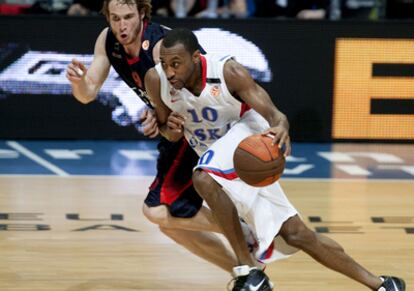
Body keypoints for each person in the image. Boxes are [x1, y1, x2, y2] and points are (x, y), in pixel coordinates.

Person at [144, 27, 406, 291]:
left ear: (196, 57)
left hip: (247, 140)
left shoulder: (228, 72)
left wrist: (281, 127)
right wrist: (171, 131)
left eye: (176, 64)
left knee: (201, 177)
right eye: (164, 64)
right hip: (223, 162)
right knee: (296, 234)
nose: (170, 72)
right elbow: (167, 129)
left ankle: (247, 270)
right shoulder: (157, 81)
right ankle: (383, 284)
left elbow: (275, 115)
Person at [65, 0, 257, 276]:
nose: (122, 25)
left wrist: (160, 114)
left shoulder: (160, 46)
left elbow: (200, 86)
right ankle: (247, 274)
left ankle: (240, 231)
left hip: (200, 125)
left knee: (155, 211)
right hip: (176, 130)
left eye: (128, 17)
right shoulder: (107, 41)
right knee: (170, 225)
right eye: (115, 18)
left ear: (142, 14)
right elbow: (87, 94)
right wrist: (79, 83)